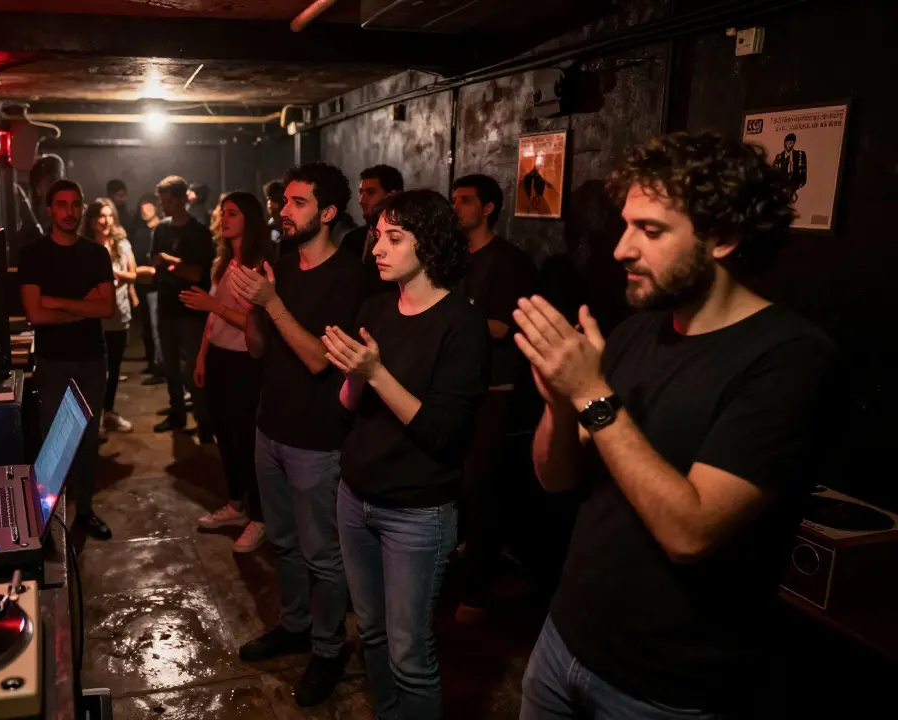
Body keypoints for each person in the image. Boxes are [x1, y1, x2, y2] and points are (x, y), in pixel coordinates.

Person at [517, 132, 839, 718]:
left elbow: (690, 532)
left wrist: (590, 390)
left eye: (651, 230)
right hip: (565, 640)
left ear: (724, 237)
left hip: (667, 687)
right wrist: (560, 404)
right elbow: (556, 479)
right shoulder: (641, 330)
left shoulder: (788, 360)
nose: (620, 249)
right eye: (626, 225)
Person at [325, 189, 488, 720]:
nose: (378, 248)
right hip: (355, 497)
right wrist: (353, 377)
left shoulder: (460, 323)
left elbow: (443, 432)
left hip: (416, 512)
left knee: (409, 653)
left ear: (430, 244)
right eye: (377, 236)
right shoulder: (375, 307)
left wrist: (376, 373)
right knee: (370, 631)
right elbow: (348, 405)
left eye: (394, 238)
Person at [231, 162, 364, 707]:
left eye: (298, 203)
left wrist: (272, 303)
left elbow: (317, 360)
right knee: (282, 543)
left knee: (321, 555)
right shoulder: (281, 267)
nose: (283, 212)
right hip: (271, 428)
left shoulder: (351, 276)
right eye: (284, 202)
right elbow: (261, 349)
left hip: (316, 440)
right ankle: (295, 625)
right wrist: (251, 307)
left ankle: (330, 649)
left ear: (328, 213)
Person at [448, 173, 537, 624]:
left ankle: (478, 589)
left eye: (464, 200)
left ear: (488, 208)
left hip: (494, 391)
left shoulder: (509, 261)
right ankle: (455, 564)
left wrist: (447, 316)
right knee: (452, 485)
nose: (456, 206)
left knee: (483, 490)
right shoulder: (452, 260)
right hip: (454, 388)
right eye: (454, 199)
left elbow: (503, 327)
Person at [17, 180, 116, 541]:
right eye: (62, 205)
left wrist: (56, 301)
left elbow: (105, 308)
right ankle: (48, 519)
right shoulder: (33, 255)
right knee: (55, 443)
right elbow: (35, 314)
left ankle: (85, 511)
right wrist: (82, 308)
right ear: (49, 209)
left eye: (76, 205)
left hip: (91, 358)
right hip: (53, 361)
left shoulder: (96, 254)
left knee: (89, 440)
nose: (70, 212)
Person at [183, 192, 274, 553]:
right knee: (224, 436)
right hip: (220, 358)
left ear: (249, 219)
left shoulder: (258, 266)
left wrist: (214, 307)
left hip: (244, 363)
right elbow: (212, 318)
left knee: (246, 439)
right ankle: (236, 505)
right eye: (222, 214)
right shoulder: (223, 263)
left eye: (232, 214)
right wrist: (203, 356)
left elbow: (258, 326)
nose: (224, 220)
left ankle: (261, 516)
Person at [151, 176, 216, 441]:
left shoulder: (198, 231)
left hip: (190, 308)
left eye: (167, 201)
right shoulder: (161, 230)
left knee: (193, 368)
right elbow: (155, 263)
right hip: (166, 305)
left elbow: (197, 274)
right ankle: (177, 413)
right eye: (162, 200)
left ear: (180, 200)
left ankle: (204, 423)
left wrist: (172, 264)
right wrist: (174, 266)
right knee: (170, 364)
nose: (163, 205)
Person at [82, 197, 138, 435]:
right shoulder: (85, 247)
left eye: (109, 216)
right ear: (92, 220)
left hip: (118, 314)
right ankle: (94, 418)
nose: (105, 221)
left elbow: (133, 275)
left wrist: (114, 274)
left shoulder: (121, 244)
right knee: (95, 370)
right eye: (100, 216)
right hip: (94, 317)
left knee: (114, 369)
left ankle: (108, 411)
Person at [130, 194, 165, 382]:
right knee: (146, 328)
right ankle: (152, 363)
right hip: (142, 284)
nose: (145, 210)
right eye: (142, 206)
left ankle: (161, 368)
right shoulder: (140, 232)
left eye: (148, 205)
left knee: (156, 327)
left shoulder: (163, 229)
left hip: (157, 286)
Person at [340, 165, 404, 261]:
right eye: (361, 192)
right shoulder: (352, 239)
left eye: (371, 192)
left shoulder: (406, 238)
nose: (362, 200)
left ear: (391, 195)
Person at [265, 180, 294, 255]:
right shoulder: (268, 229)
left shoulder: (293, 225)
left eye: (274, 200)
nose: (270, 204)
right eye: (269, 199)